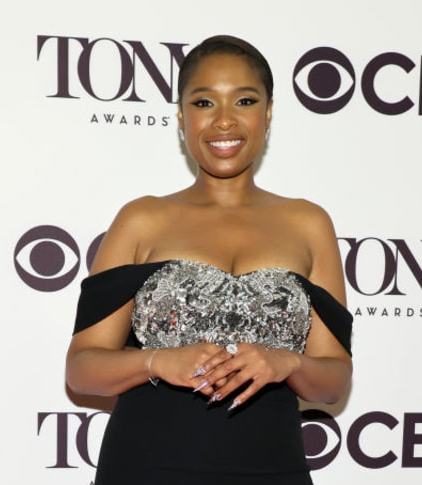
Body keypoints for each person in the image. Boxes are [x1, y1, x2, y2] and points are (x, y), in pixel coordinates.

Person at [65, 35, 353, 485]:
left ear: (268, 113)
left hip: (272, 465)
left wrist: (288, 362)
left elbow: (334, 381)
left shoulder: (309, 223)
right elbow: (81, 370)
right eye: (203, 102)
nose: (223, 121)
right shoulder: (143, 218)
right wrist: (155, 361)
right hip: (144, 467)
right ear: (182, 118)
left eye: (243, 100)